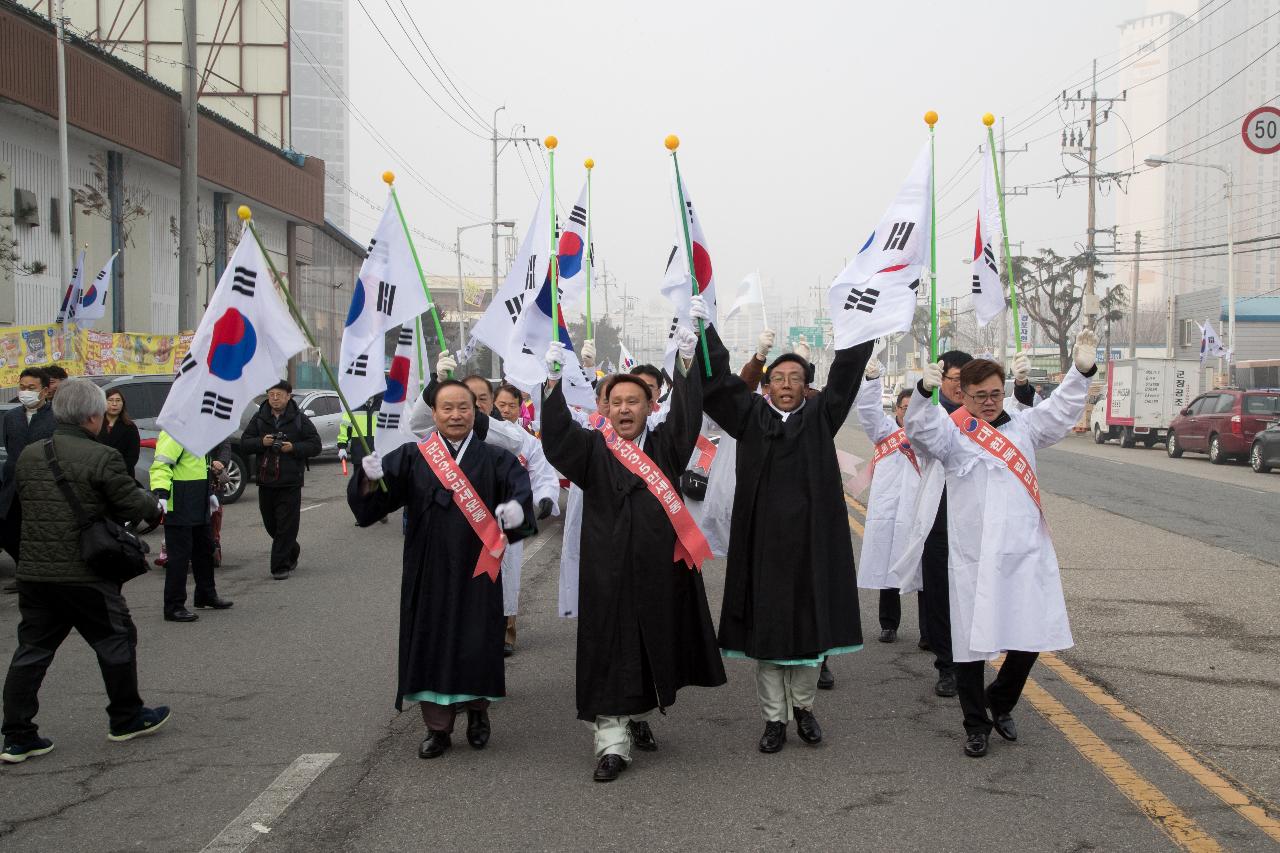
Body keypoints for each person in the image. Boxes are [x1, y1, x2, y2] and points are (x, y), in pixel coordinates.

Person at [541, 318, 726, 783]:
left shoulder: (666, 444)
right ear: (604, 407)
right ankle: (611, 744)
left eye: (634, 401)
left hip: (658, 571)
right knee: (607, 650)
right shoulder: (590, 449)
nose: (625, 409)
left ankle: (639, 713)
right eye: (616, 401)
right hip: (605, 573)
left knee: (647, 647)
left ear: (649, 406)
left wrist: (686, 361)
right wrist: (552, 382)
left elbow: (688, 416)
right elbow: (558, 439)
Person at [902, 331, 1097, 758]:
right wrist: (922, 391)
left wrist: (1081, 372)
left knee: (1030, 634)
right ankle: (976, 725)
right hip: (973, 556)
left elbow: (1062, 410)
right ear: (965, 397)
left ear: (1002, 392)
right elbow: (918, 429)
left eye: (994, 393)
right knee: (969, 644)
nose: (988, 402)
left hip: (1024, 552)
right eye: (979, 395)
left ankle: (1001, 701)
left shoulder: (1025, 426)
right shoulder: (953, 437)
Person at [702, 310, 874, 754]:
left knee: (807, 637)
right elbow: (717, 386)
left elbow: (845, 378)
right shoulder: (749, 418)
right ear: (766, 384)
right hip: (761, 547)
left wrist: (856, 330)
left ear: (805, 386)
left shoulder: (822, 416)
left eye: (794, 377)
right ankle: (773, 720)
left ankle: (804, 710)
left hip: (811, 547)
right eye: (777, 377)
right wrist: (703, 332)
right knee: (768, 640)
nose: (785, 384)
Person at [349, 379, 534, 760]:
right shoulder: (413, 456)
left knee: (477, 641)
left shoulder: (497, 458)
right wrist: (367, 478)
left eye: (463, 407)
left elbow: (519, 495)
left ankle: (479, 716)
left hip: (477, 572)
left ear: (476, 412)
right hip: (427, 569)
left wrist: (516, 510)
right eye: (446, 408)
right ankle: (438, 728)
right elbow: (374, 508)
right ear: (433, 414)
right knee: (430, 642)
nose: (455, 415)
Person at [1, 379, 169, 763]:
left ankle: (17, 735)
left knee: (32, 651)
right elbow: (132, 506)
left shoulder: (28, 455)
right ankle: (126, 718)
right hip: (85, 573)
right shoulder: (101, 457)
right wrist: (153, 504)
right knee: (117, 640)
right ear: (93, 417)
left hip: (35, 573)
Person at [853, 364, 922, 645]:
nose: (908, 412)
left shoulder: (929, 433)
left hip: (918, 511)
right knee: (888, 564)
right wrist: (872, 380)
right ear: (897, 410)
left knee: (923, 569)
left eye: (914, 407)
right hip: (889, 510)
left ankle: (929, 632)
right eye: (904, 407)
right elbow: (868, 412)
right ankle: (888, 624)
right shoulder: (884, 431)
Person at [240, 381, 321, 580]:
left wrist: (292, 447)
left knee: (286, 525)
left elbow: (315, 445)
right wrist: (262, 442)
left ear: (288, 396)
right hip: (266, 479)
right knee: (272, 524)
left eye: (279, 394)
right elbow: (244, 443)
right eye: (271, 394)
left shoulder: (299, 419)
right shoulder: (259, 418)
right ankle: (291, 548)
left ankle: (279, 567)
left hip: (290, 481)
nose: (275, 398)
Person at [149, 433, 233, 622]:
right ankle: (173, 606)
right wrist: (161, 492)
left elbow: (200, 467)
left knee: (205, 550)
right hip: (179, 502)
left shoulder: (195, 433)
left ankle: (205, 594)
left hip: (198, 500)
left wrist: (209, 492)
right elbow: (161, 465)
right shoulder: (173, 433)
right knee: (179, 557)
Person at [555, 375, 612, 620]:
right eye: (608, 400)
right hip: (587, 513)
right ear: (597, 401)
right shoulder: (586, 427)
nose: (615, 406)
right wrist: (553, 378)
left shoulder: (642, 432)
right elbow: (556, 415)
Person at [1, 369, 57, 583]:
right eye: (22, 387)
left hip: (44, 484)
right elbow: (10, 446)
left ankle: (39, 575)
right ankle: (22, 569)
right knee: (9, 532)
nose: (25, 392)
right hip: (14, 484)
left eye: (31, 388)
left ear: (44, 391)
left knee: (41, 532)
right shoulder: (11, 417)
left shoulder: (56, 416)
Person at [98, 390, 141, 480]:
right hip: (98, 475)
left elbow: (132, 456)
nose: (114, 404)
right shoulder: (96, 424)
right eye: (110, 400)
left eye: (118, 400)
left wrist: (117, 471)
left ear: (122, 404)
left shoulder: (130, 427)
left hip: (122, 477)